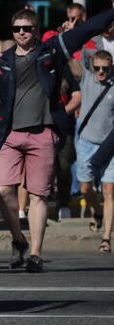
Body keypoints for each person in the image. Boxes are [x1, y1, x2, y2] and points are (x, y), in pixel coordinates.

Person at [0, 0, 114, 273]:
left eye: (27, 29)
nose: (21, 33)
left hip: (42, 132)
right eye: (16, 29)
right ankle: (18, 240)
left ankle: (35, 253)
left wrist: (112, 8)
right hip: (8, 135)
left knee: (38, 195)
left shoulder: (51, 50)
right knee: (5, 189)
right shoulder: (0, 62)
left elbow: (86, 30)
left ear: (36, 31)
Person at [74, 50, 114, 253]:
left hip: (109, 146)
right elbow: (72, 60)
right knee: (85, 190)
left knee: (109, 191)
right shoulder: (87, 79)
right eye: (97, 68)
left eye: (105, 69)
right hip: (86, 143)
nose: (101, 72)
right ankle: (97, 211)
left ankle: (106, 238)